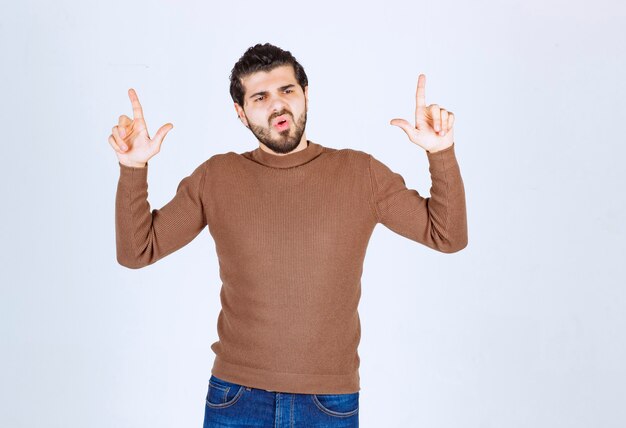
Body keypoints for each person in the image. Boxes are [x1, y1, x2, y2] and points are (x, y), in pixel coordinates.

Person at [108, 42, 467, 427]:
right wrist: (134, 168)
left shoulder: (359, 173)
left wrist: (440, 152)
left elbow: (447, 236)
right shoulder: (217, 177)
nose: (277, 105)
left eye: (287, 90)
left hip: (329, 401)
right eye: (260, 97)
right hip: (236, 396)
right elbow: (137, 251)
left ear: (306, 95)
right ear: (241, 114)